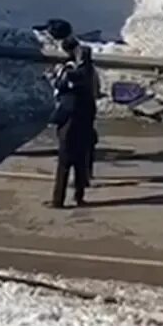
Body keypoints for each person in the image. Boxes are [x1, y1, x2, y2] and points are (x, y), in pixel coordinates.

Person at [49, 38, 100, 208]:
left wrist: (57, 77)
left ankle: (58, 200)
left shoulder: (75, 77)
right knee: (80, 163)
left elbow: (63, 91)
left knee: (64, 164)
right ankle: (79, 197)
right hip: (84, 125)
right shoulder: (89, 74)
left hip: (70, 127)